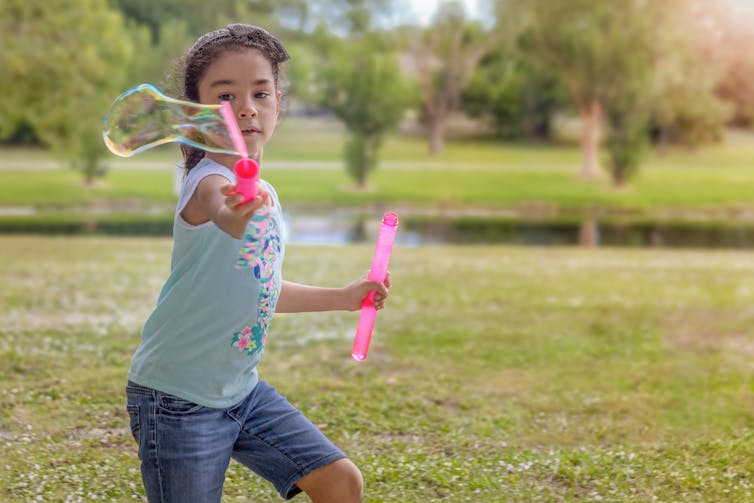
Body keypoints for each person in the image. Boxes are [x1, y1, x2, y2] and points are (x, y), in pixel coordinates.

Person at [125, 24, 390, 503]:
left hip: (241, 393)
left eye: (260, 93)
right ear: (198, 112)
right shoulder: (209, 181)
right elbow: (222, 210)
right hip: (177, 400)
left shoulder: (266, 194)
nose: (246, 107)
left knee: (340, 481)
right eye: (226, 96)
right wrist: (231, 212)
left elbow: (259, 287)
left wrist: (345, 298)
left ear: (277, 105)